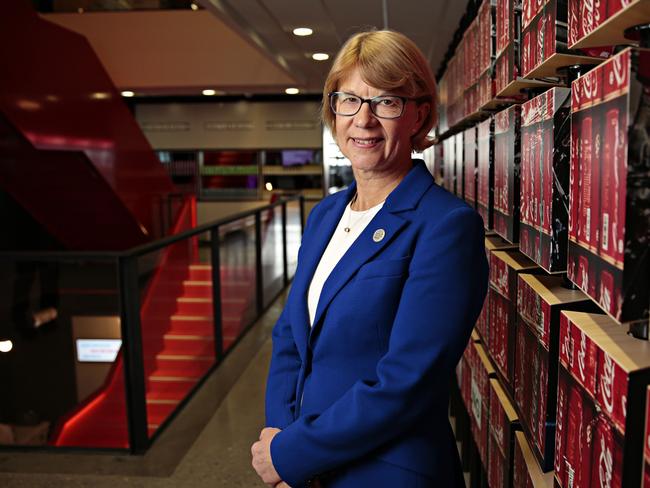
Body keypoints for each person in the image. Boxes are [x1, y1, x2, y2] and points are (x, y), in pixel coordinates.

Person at [252, 29, 488, 487]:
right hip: (305, 463)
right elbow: (289, 339)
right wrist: (279, 440)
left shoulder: (445, 226)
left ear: (419, 115)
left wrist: (295, 453)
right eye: (349, 100)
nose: (364, 119)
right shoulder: (325, 215)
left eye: (386, 102)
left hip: (385, 471)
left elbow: (407, 381)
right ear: (332, 109)